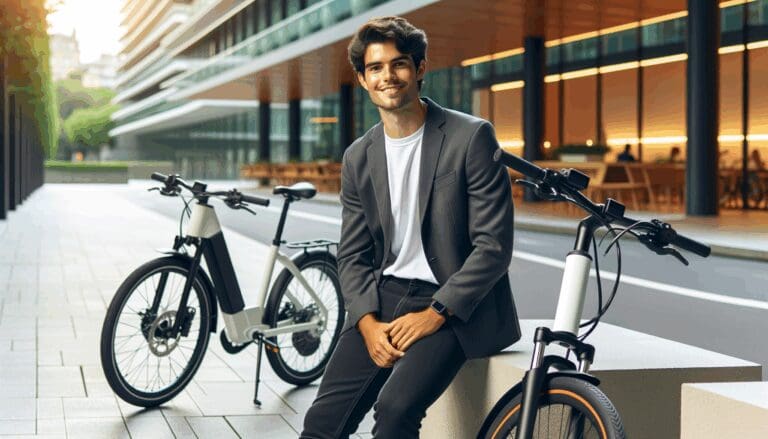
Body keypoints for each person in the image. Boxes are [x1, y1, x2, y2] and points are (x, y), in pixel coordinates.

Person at [300, 16, 520, 438]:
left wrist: (435, 313)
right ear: (363, 80)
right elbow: (352, 253)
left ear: (420, 69)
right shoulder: (358, 157)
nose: (388, 76)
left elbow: (493, 246)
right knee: (321, 424)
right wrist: (366, 321)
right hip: (383, 298)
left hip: (453, 305)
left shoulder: (470, 137)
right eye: (376, 68)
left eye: (399, 64)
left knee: (395, 410)